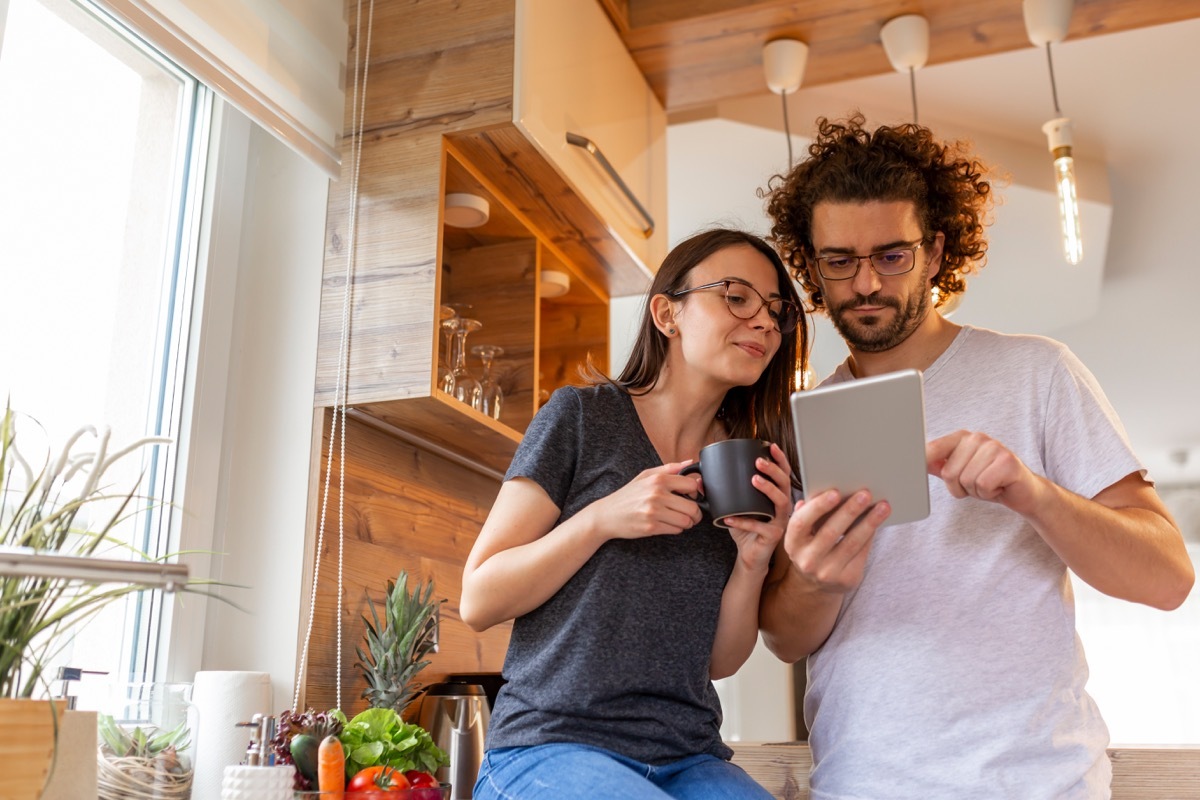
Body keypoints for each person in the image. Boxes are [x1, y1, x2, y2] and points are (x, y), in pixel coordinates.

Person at [760, 114, 1194, 799]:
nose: (865, 283)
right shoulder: (796, 423)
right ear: (813, 264)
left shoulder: (1037, 372)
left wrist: (1035, 495)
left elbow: (1168, 578)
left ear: (934, 252)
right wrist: (817, 580)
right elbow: (784, 640)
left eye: (892, 256)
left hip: (1037, 783)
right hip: (864, 784)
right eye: (838, 261)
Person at [460, 228, 807, 800]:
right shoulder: (582, 418)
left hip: (689, 756)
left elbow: (719, 663)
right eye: (738, 297)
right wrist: (601, 518)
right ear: (667, 315)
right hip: (549, 746)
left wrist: (753, 560)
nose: (766, 323)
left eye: (776, 310)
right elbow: (479, 598)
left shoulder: (748, 465)